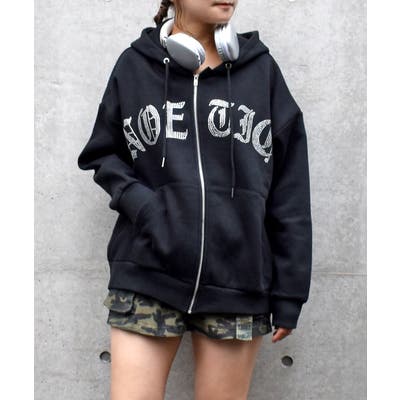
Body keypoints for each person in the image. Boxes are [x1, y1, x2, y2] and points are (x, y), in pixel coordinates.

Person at [77, 0, 313, 398]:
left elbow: (290, 189)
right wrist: (145, 207)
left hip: (238, 284)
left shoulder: (261, 72)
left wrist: (290, 292)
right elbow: (102, 152)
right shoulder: (135, 66)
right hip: (147, 274)